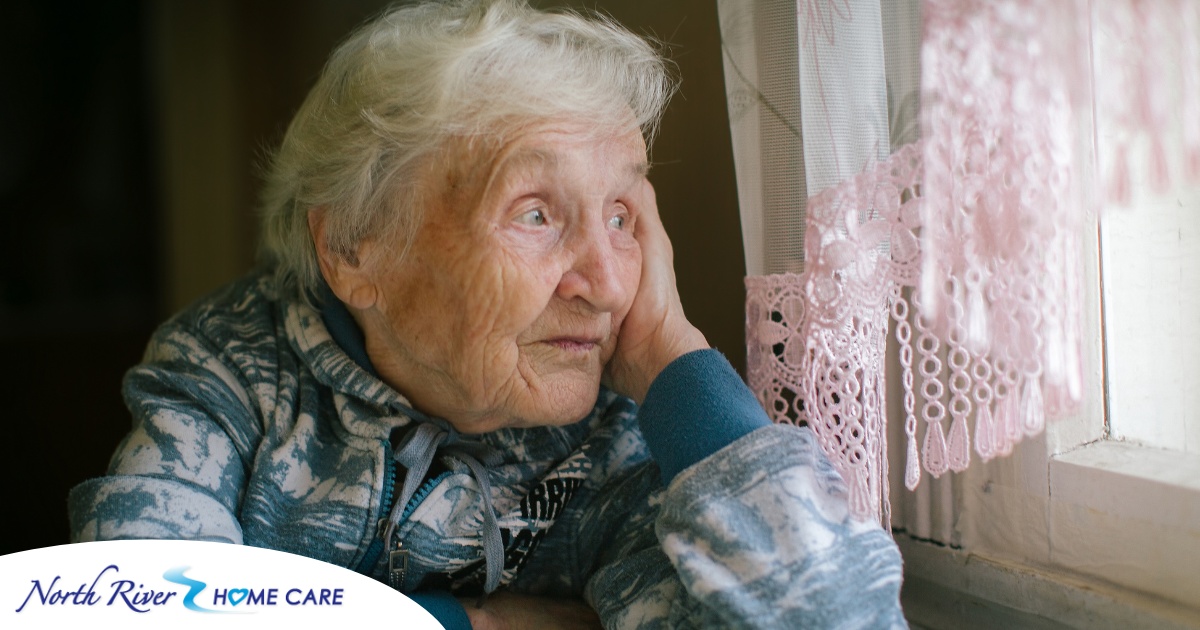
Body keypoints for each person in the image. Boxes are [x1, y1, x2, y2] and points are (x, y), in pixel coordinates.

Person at [68, 1, 907, 628]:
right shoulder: (230, 375)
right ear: (355, 247)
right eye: (535, 213)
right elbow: (123, 608)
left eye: (621, 215)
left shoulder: (618, 434)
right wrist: (479, 622)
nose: (609, 286)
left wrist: (673, 357)